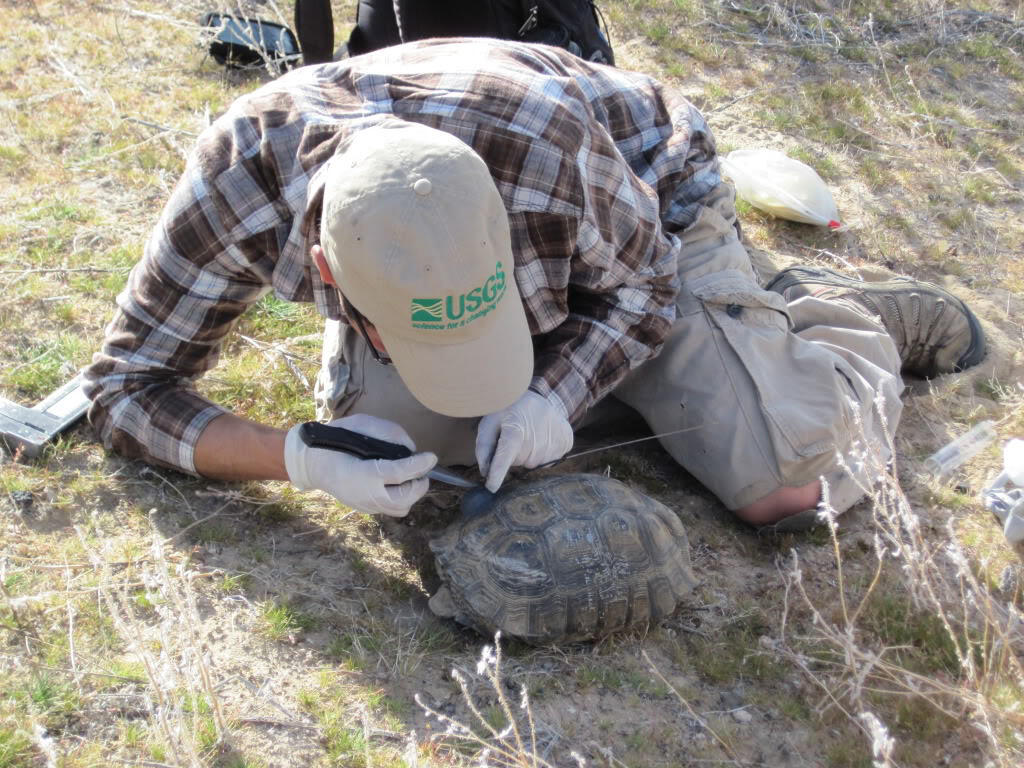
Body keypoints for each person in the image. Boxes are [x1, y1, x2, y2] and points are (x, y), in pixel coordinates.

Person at [83, 38, 985, 529]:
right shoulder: (238, 182)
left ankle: (823, 325)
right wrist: (295, 456)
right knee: (419, 463)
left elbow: (637, 294)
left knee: (784, 487)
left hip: (650, 226)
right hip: (565, 243)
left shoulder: (547, 151)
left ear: (505, 238)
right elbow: (122, 391)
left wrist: (552, 392)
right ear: (328, 272)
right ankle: (710, 372)